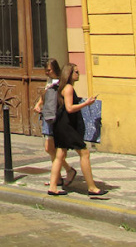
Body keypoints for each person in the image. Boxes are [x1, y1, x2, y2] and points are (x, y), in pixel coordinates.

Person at [48, 62, 108, 197]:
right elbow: (69, 108)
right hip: (66, 126)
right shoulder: (68, 88)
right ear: (69, 74)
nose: (78, 74)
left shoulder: (62, 87)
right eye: (75, 71)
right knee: (84, 153)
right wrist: (86, 103)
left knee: (60, 155)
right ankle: (92, 187)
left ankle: (53, 186)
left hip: (61, 124)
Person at [33, 58, 76, 188]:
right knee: (50, 149)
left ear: (55, 69)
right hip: (47, 116)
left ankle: (61, 175)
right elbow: (46, 95)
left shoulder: (60, 82)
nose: (47, 72)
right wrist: (39, 104)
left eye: (49, 70)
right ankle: (62, 174)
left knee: (53, 149)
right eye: (46, 70)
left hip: (54, 117)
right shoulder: (50, 81)